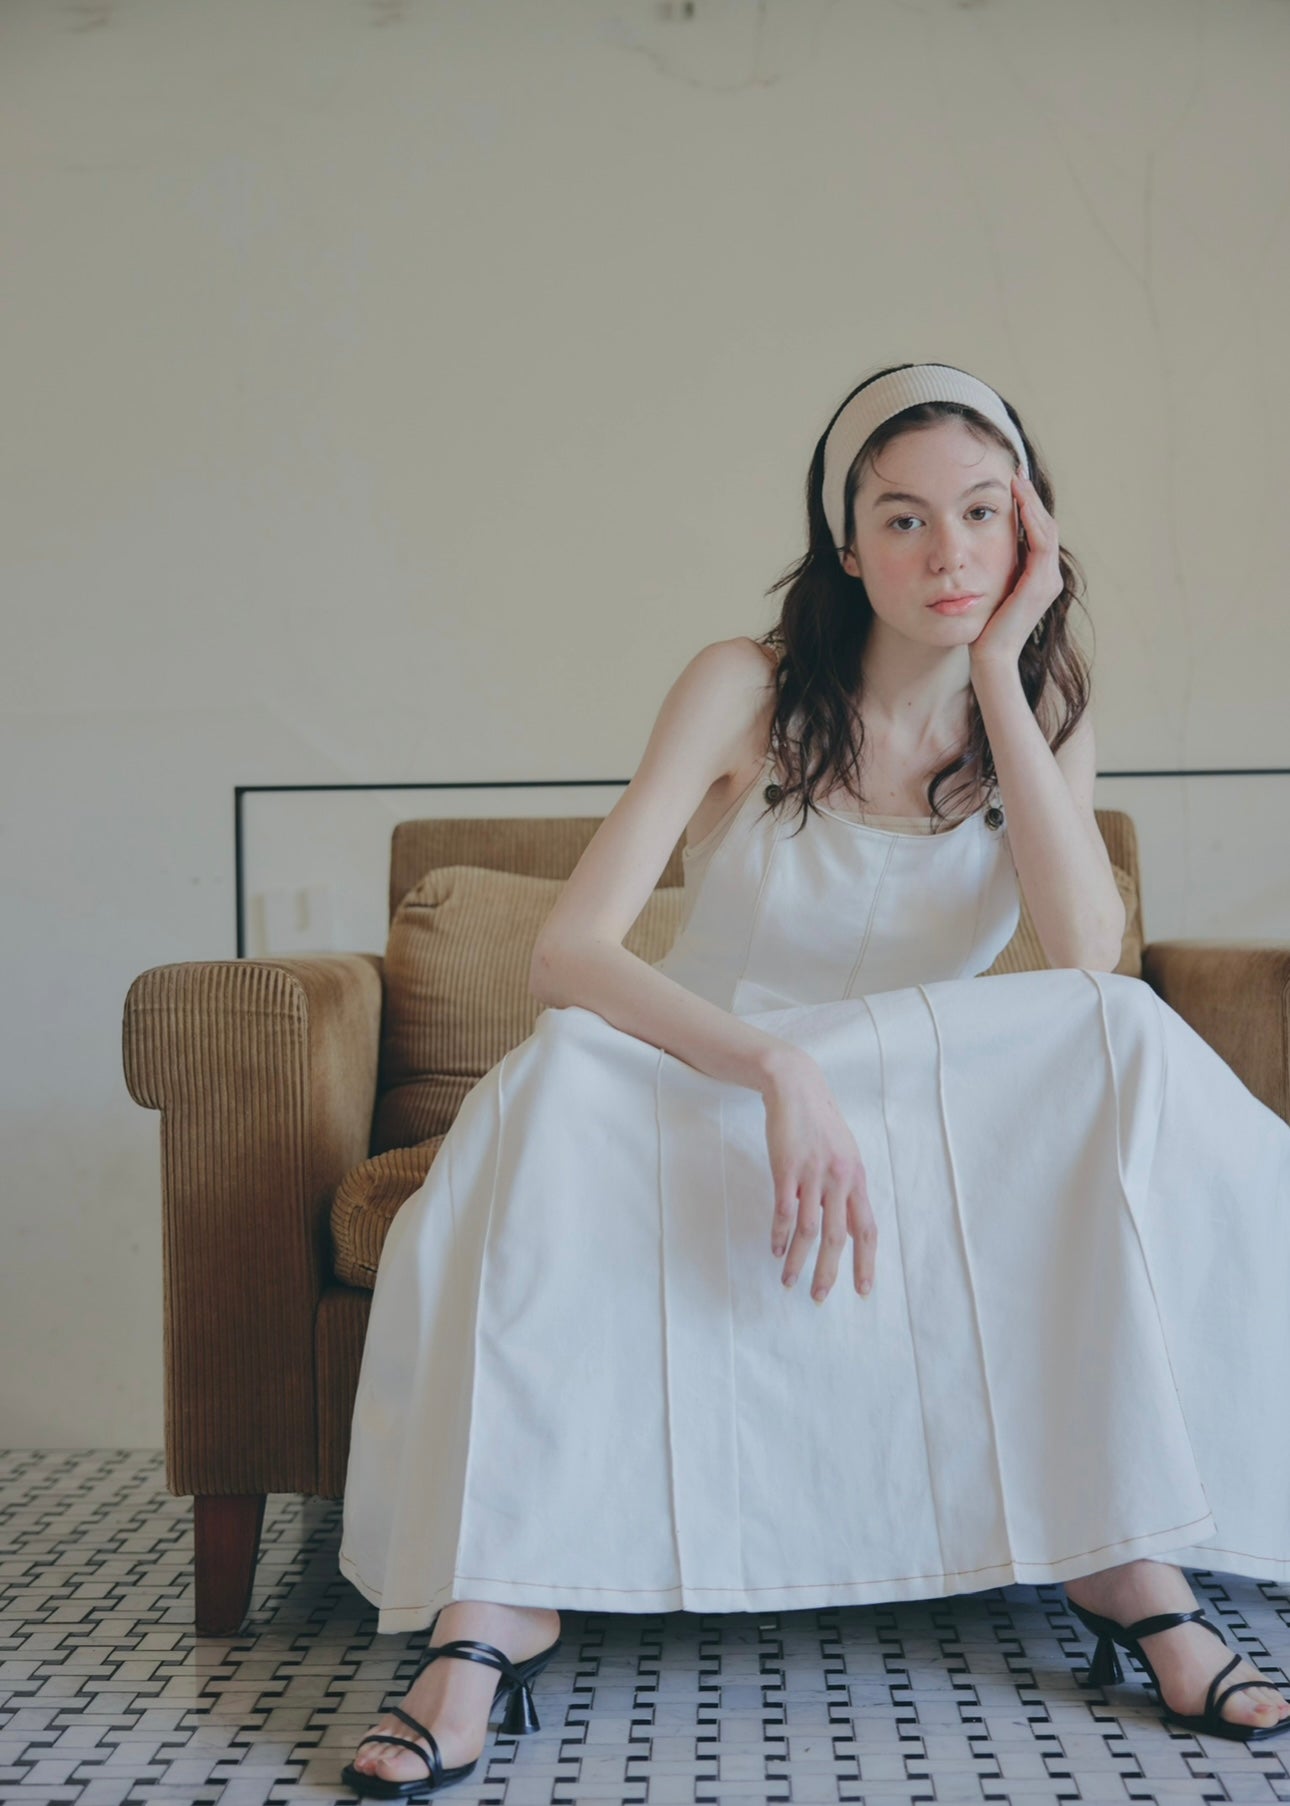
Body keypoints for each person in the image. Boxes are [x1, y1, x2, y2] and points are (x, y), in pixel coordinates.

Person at [341, 363, 1290, 1796]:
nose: (949, 551)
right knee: (558, 1076)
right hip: (702, 1086)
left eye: (983, 513)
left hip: (913, 1105)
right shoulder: (747, 685)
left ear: (1030, 527)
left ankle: (1122, 1553)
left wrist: (999, 669)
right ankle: (493, 1607)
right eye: (903, 519)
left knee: (1114, 1031)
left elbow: (1089, 955)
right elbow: (566, 953)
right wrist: (776, 1064)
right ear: (846, 544)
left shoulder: (1041, 706)